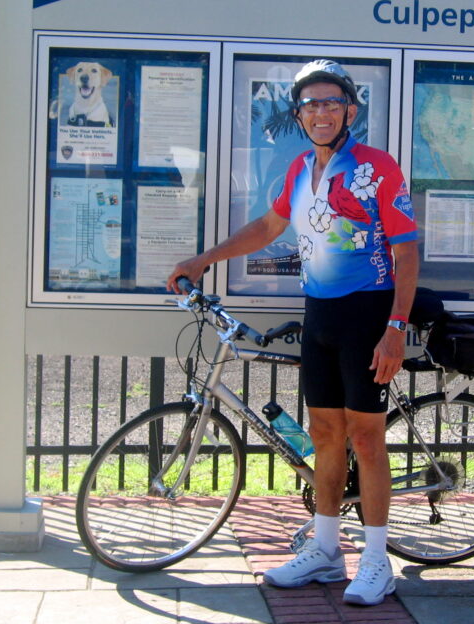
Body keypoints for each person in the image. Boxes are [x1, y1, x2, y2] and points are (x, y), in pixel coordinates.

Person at [167, 59, 419, 606]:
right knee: (326, 435)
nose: (320, 112)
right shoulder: (301, 168)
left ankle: (377, 561)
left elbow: (406, 250)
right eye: (310, 104)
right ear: (300, 115)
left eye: (331, 102)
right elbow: (269, 226)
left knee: (367, 440)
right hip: (321, 315)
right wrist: (206, 258)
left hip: (369, 315)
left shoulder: (377, 167)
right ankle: (327, 550)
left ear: (350, 110)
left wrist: (395, 328)